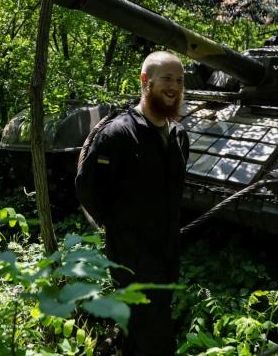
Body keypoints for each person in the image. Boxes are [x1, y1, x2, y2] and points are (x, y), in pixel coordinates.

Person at [75, 51, 189, 355]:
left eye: (179, 80)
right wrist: (120, 227)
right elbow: (89, 190)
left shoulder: (178, 135)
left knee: (145, 325)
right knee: (157, 338)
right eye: (166, 78)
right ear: (145, 81)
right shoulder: (117, 134)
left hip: (167, 252)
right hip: (133, 255)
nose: (174, 87)